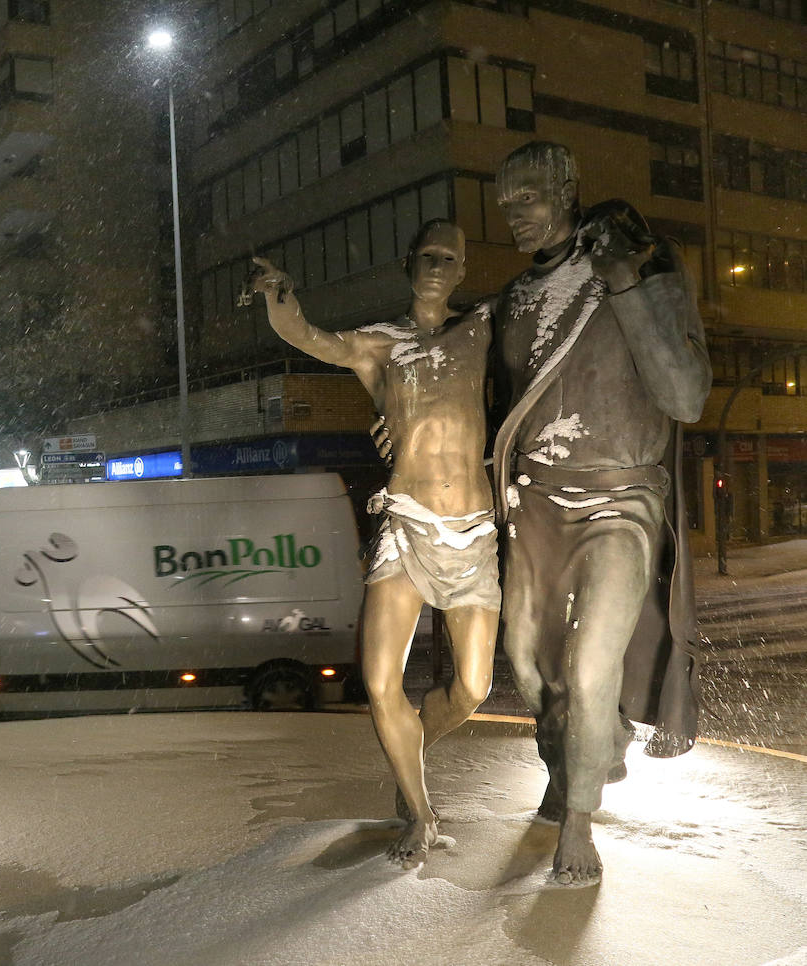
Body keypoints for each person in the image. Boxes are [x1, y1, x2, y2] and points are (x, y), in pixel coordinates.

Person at [490, 141, 711, 884]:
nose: (514, 216)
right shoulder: (515, 297)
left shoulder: (646, 263)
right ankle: (579, 752)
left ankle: (577, 819)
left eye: (527, 198)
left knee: (588, 668)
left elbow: (685, 395)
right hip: (536, 501)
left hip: (620, 497)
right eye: (505, 204)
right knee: (527, 663)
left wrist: (624, 281)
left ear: (566, 185)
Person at [250, 220, 499, 866]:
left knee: (473, 687)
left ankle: (408, 751)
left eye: (450, 257)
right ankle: (420, 812)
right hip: (408, 525)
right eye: (427, 256)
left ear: (464, 268)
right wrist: (281, 298)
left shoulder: (480, 331)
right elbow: (310, 339)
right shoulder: (379, 346)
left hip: (473, 532)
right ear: (408, 262)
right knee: (379, 678)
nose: (438, 266)